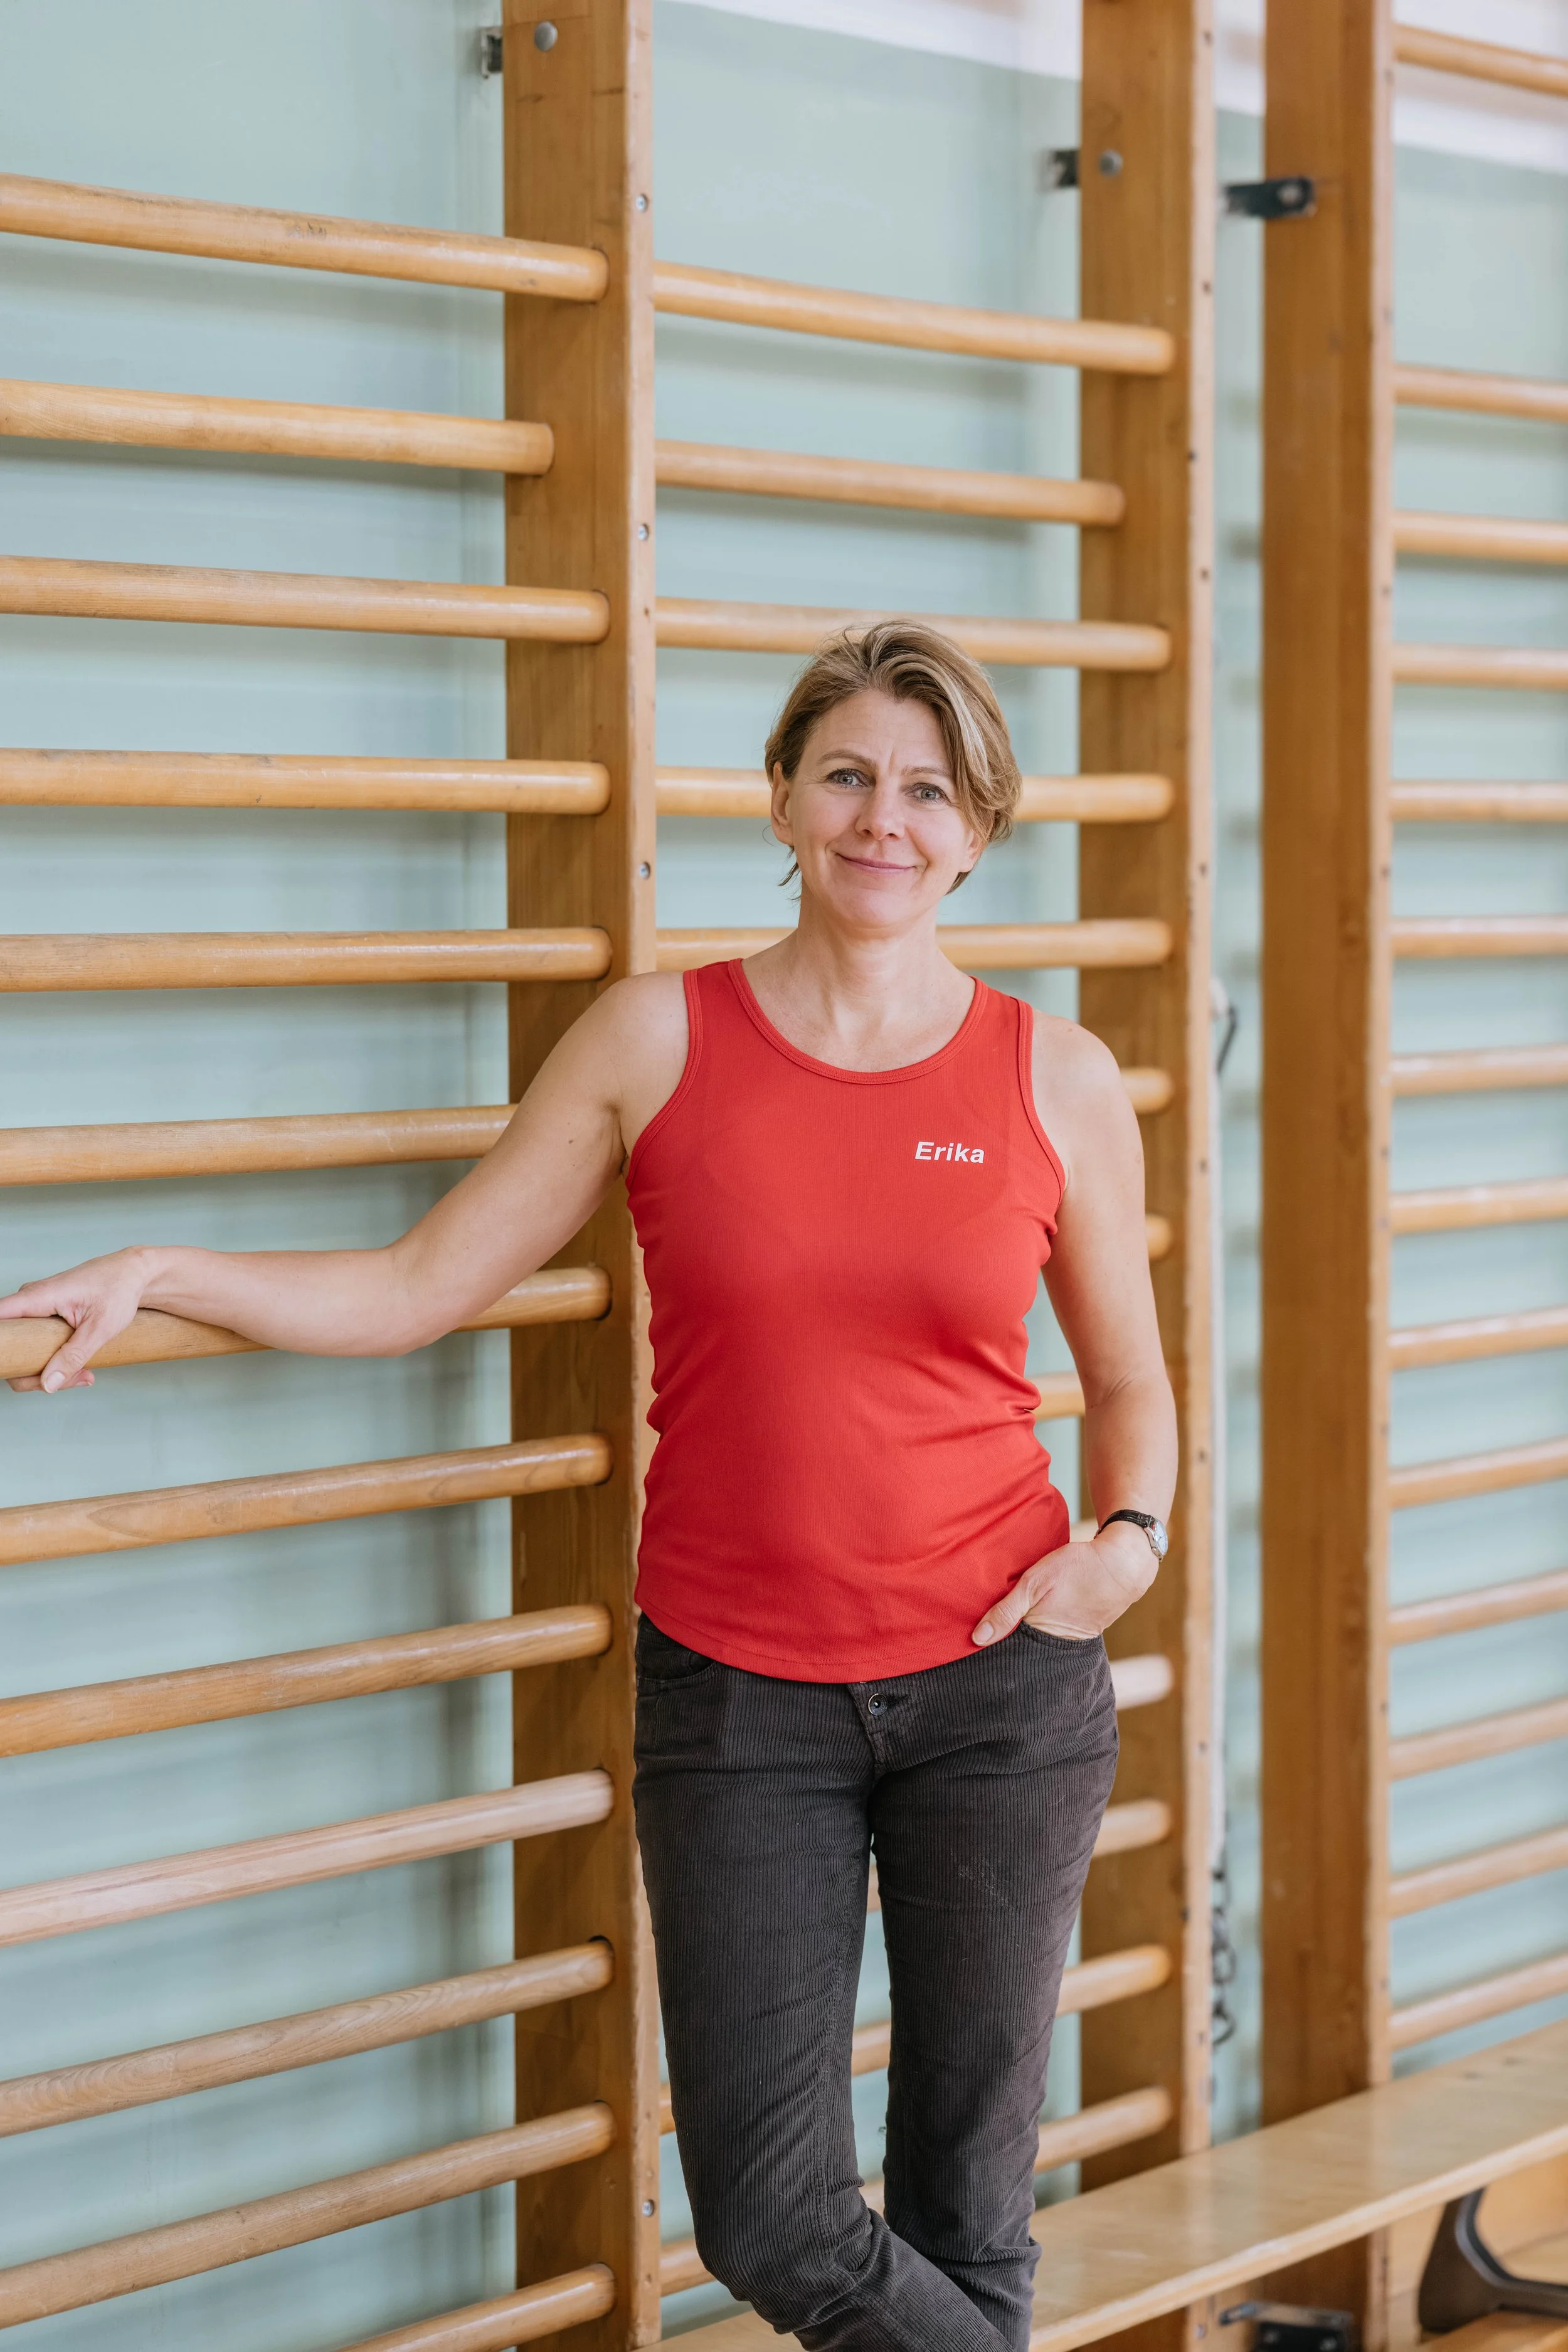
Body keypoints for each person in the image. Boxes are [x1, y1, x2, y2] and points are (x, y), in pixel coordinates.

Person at [2, 620, 1175, 2352]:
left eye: (927, 790)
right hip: (736, 1701)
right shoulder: (656, 1039)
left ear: (976, 829)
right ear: (778, 794)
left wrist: (1123, 1548)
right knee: (774, 2213)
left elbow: (1137, 1379)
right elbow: (417, 1282)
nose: (882, 818)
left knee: (963, 2212)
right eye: (845, 773)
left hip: (1003, 1685)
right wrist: (165, 1263)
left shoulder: (1051, 1075)